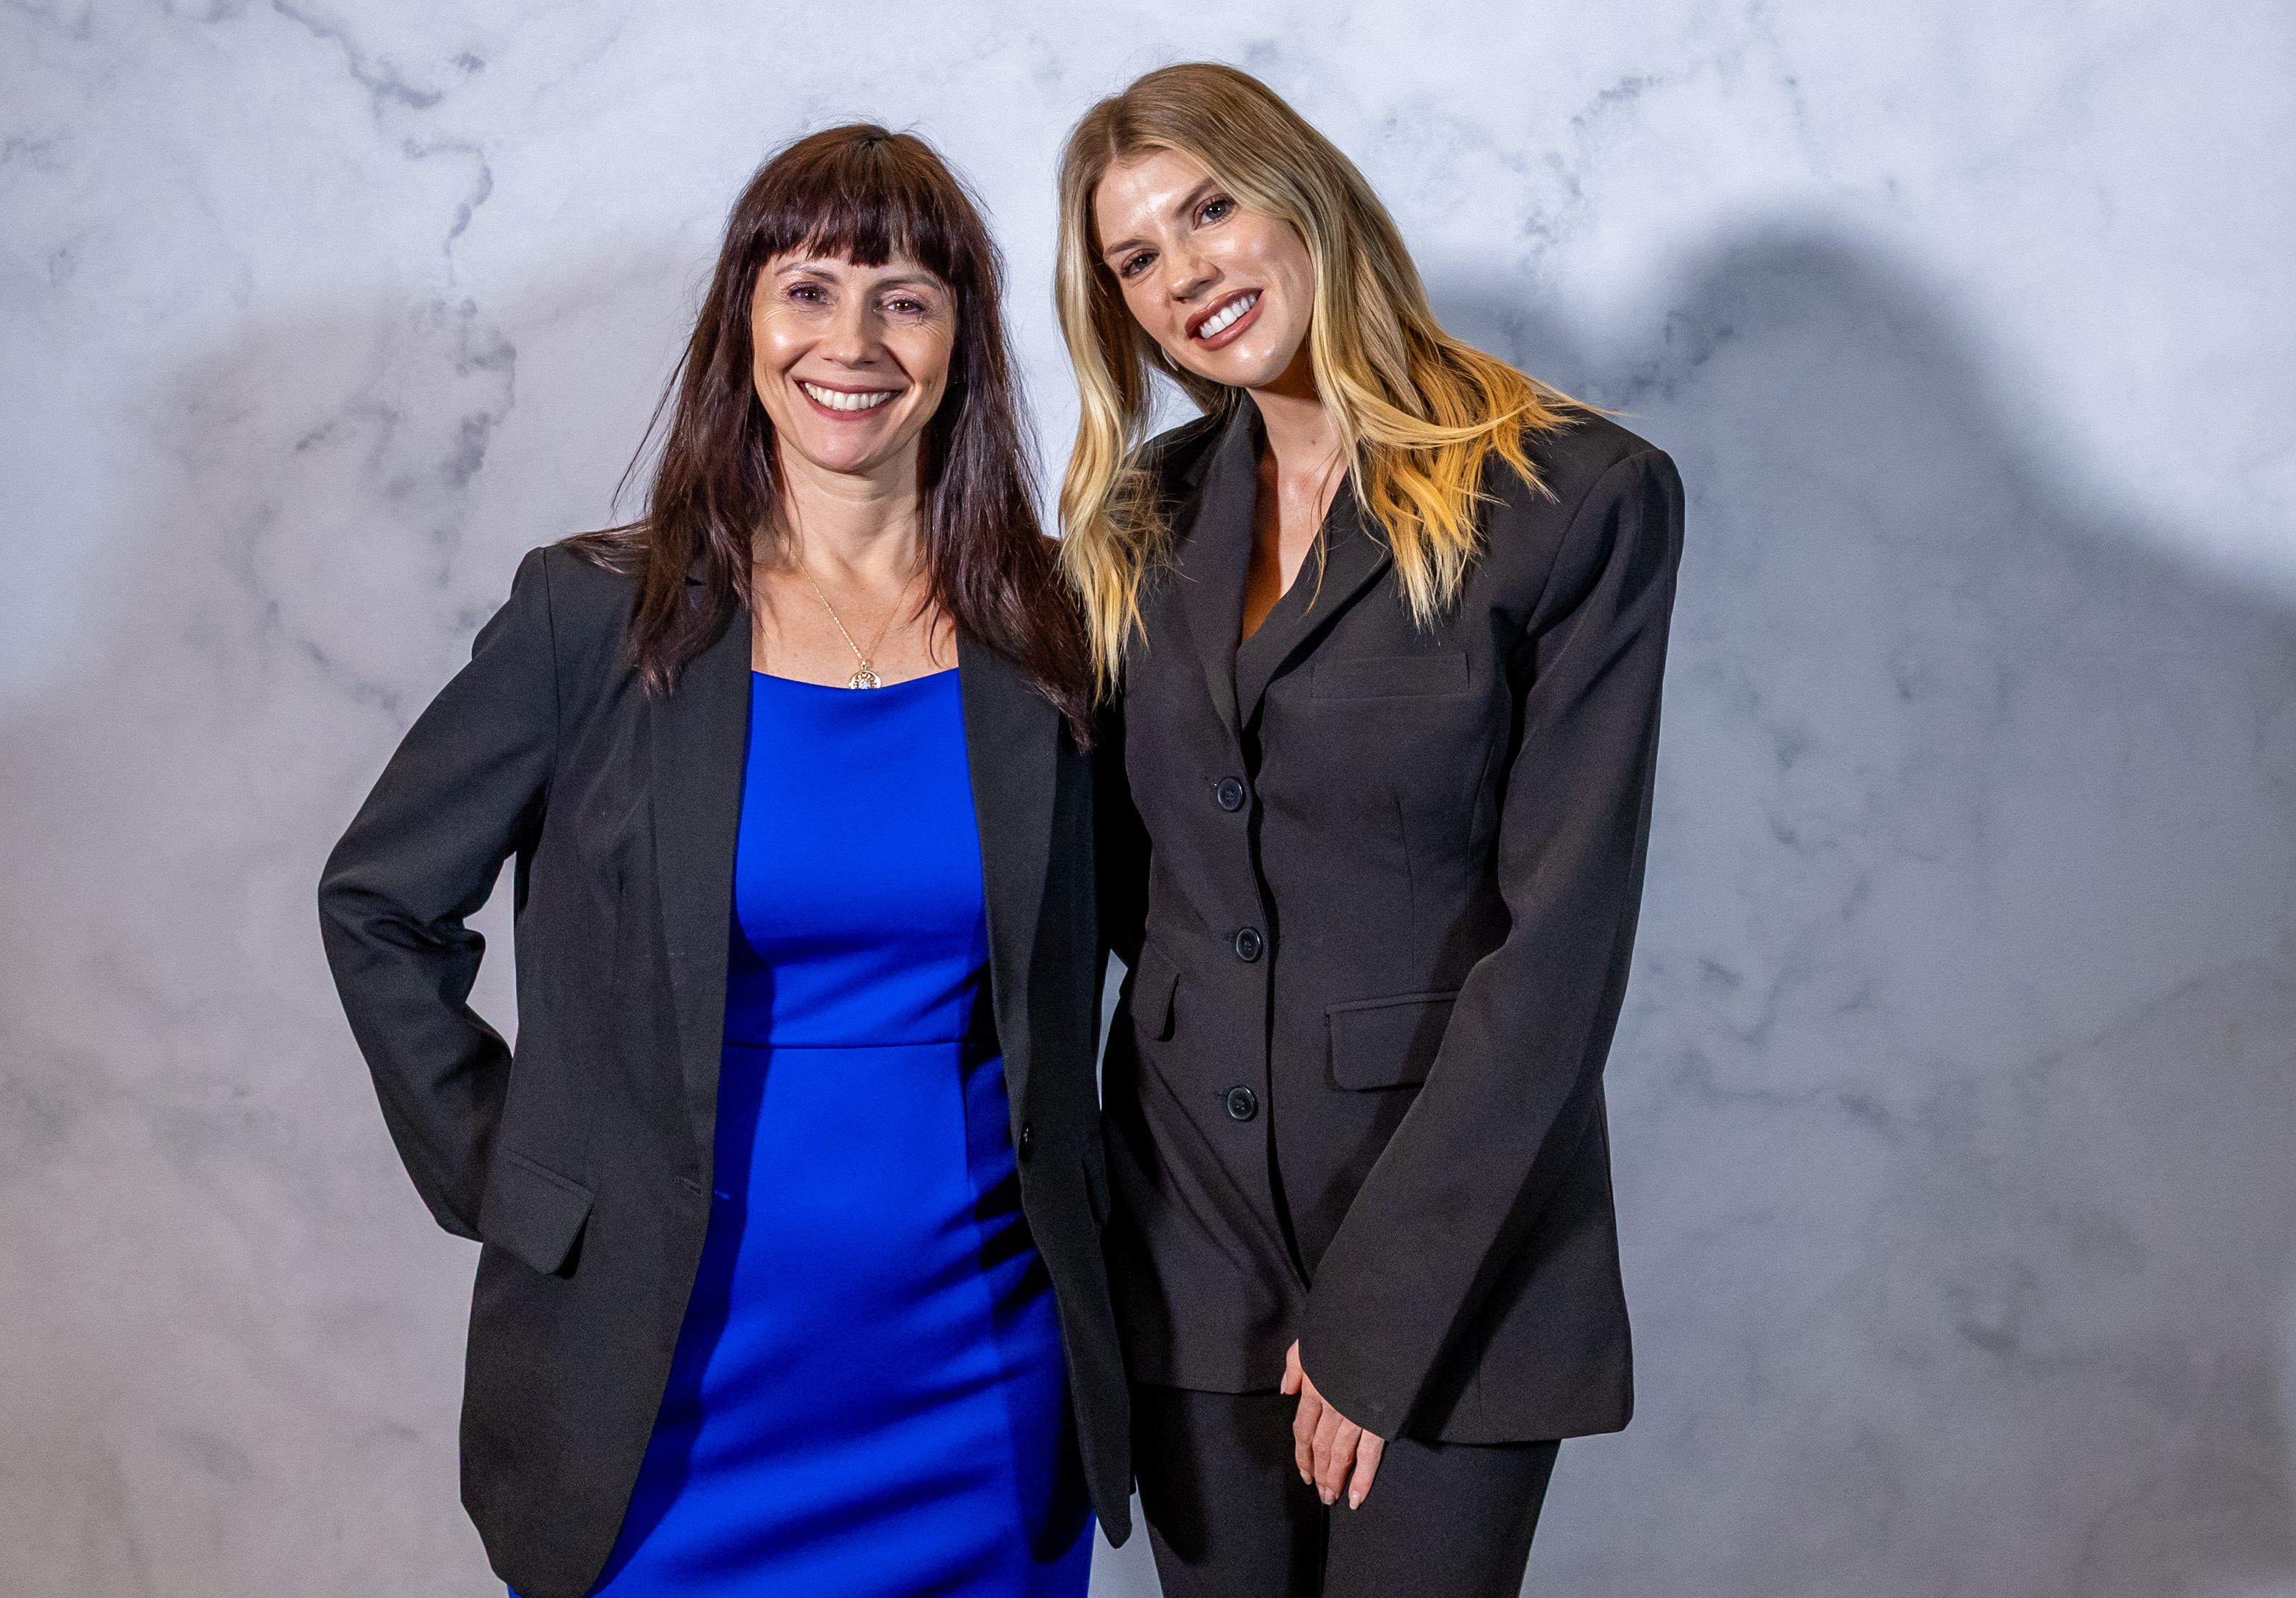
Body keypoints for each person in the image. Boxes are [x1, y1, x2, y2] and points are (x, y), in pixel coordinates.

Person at [320, 124, 1131, 1598]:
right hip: (666, 1387)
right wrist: (521, 1175)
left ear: (960, 340)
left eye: (904, 298)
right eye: (808, 288)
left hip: (979, 1384)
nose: (853, 342)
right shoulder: (594, 615)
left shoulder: (1055, 630)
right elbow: (380, 904)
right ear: (742, 322)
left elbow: (1177, 941)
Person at [1053, 64, 1683, 1598]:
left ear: (1302, 193)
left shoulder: (1573, 494)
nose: (1184, 271)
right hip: (1186, 1239)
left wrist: (1378, 1314)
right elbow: (1128, 888)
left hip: (1451, 1247)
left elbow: (1561, 947)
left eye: (1209, 208)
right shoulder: (1140, 516)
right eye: (1135, 258)